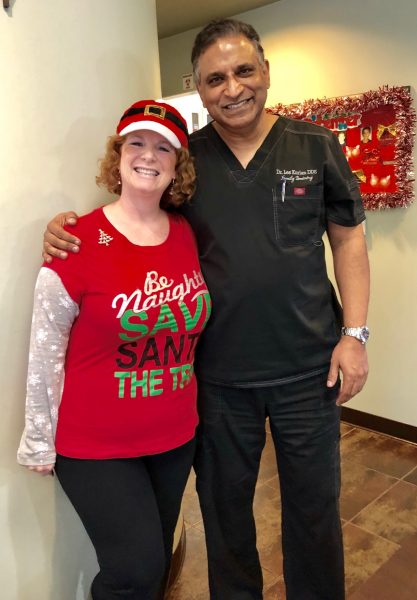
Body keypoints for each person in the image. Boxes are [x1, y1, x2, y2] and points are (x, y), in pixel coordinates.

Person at [42, 19, 370, 600]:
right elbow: (136, 216)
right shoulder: (186, 162)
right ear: (198, 86)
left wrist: (355, 334)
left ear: (265, 71)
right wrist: (66, 227)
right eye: (215, 78)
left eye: (244, 71)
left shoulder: (315, 145)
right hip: (217, 379)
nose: (232, 88)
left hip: (308, 370)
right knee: (224, 516)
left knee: (315, 511)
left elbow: (347, 239)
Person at [18, 100, 211, 600]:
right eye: (136, 143)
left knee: (157, 562)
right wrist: (38, 437)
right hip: (96, 446)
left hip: (175, 436)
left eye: (163, 148)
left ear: (177, 165)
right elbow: (45, 349)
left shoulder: (187, 233)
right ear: (118, 155)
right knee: (135, 571)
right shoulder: (76, 240)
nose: (148, 155)